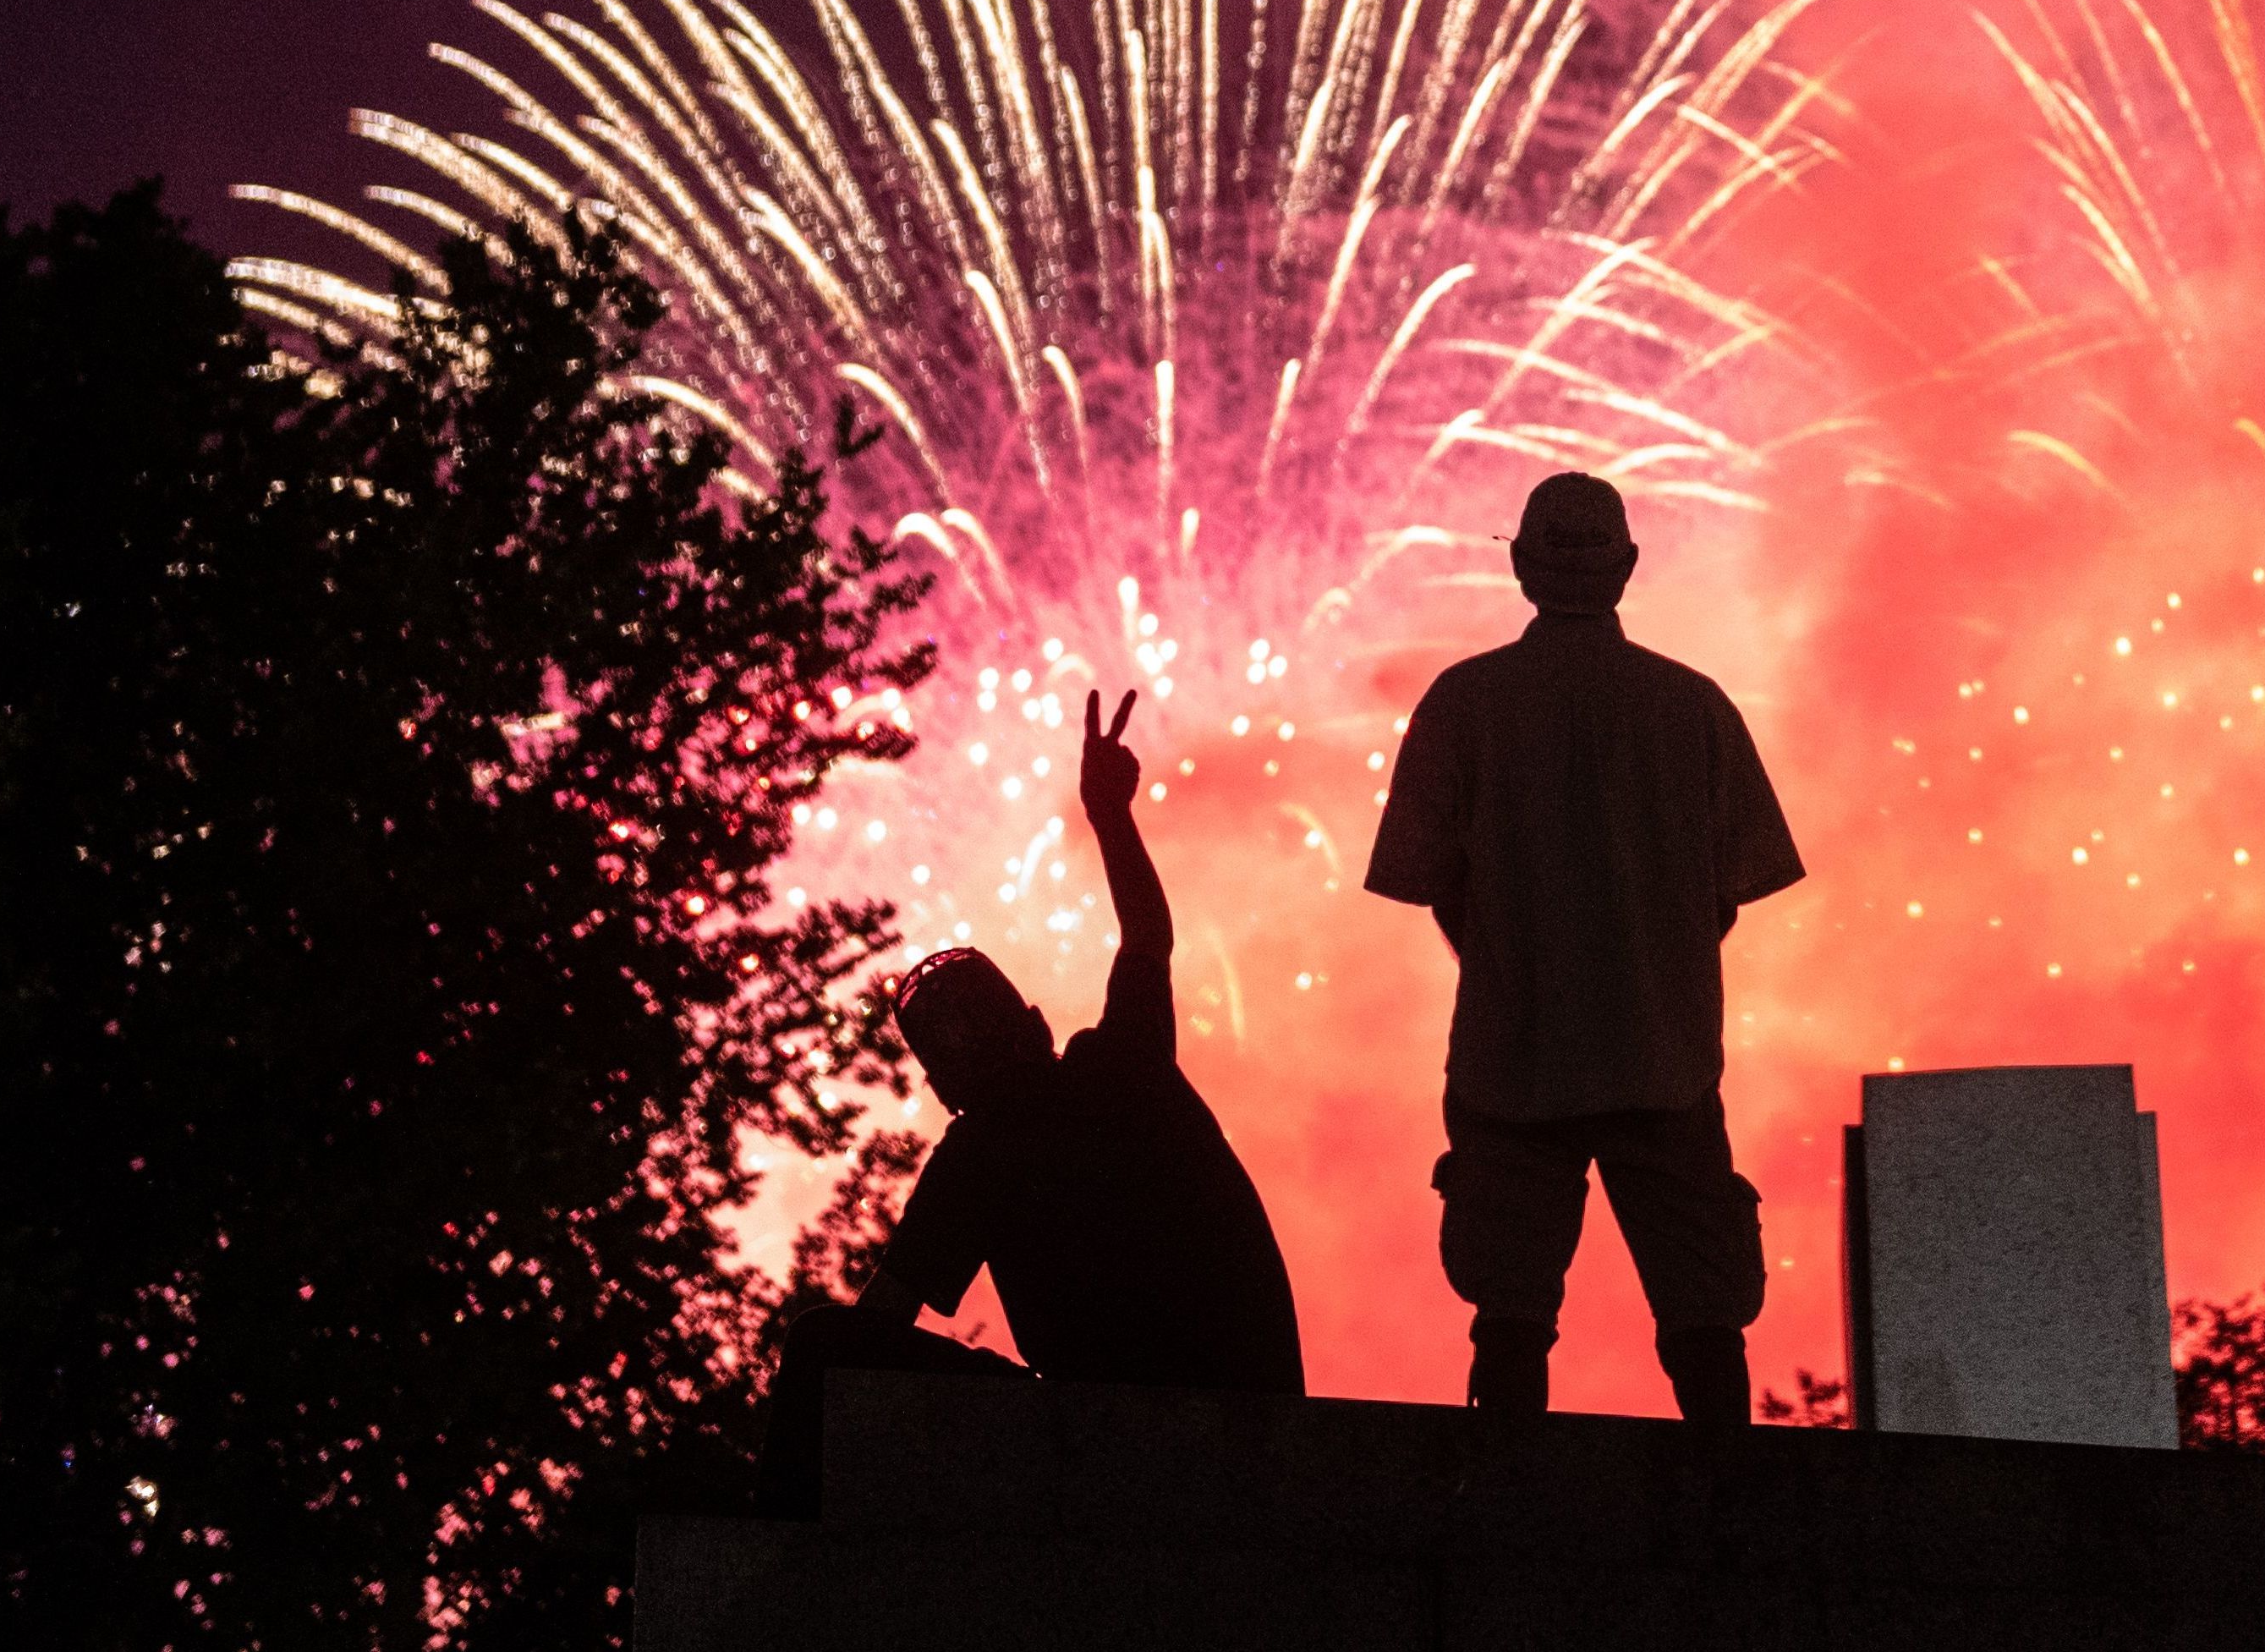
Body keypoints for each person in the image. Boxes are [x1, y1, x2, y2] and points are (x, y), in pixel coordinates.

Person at [760, 690, 1303, 1512]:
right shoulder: (1122, 1060)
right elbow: (1150, 934)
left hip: (1115, 1438)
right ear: (1036, 1021)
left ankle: (779, 1560)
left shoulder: (980, 1152)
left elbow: (875, 1331)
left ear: (946, 1086)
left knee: (818, 1345)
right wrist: (1110, 813)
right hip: (1267, 1418)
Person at [1362, 472, 1804, 1425]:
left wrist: (1503, 961)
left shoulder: (1463, 702)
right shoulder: (1695, 707)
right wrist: (1659, 966)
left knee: (1511, 1310)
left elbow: (1431, 879)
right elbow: (1731, 890)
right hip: (1665, 1057)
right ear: (1628, 566)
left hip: (1509, 1059)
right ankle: (1734, 1521)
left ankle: (1511, 1513)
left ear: (1519, 563)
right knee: (1704, 1311)